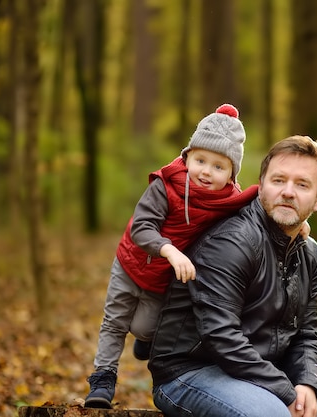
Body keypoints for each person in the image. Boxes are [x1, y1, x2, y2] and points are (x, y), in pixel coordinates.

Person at [148, 135, 317, 417]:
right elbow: (221, 336)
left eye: (302, 184)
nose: (288, 192)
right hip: (190, 371)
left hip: (263, 365)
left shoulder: (309, 253)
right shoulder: (232, 242)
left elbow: (307, 332)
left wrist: (307, 381)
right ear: (261, 186)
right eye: (278, 180)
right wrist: (285, 389)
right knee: (271, 413)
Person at [84, 104, 260, 409]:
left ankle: (145, 340)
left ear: (232, 174)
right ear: (187, 156)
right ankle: (103, 378)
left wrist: (299, 223)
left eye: (219, 166)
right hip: (131, 263)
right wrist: (169, 250)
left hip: (161, 279)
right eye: (200, 160)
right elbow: (142, 226)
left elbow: (260, 211)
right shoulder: (166, 185)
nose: (206, 171)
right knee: (115, 320)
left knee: (146, 327)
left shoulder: (230, 201)